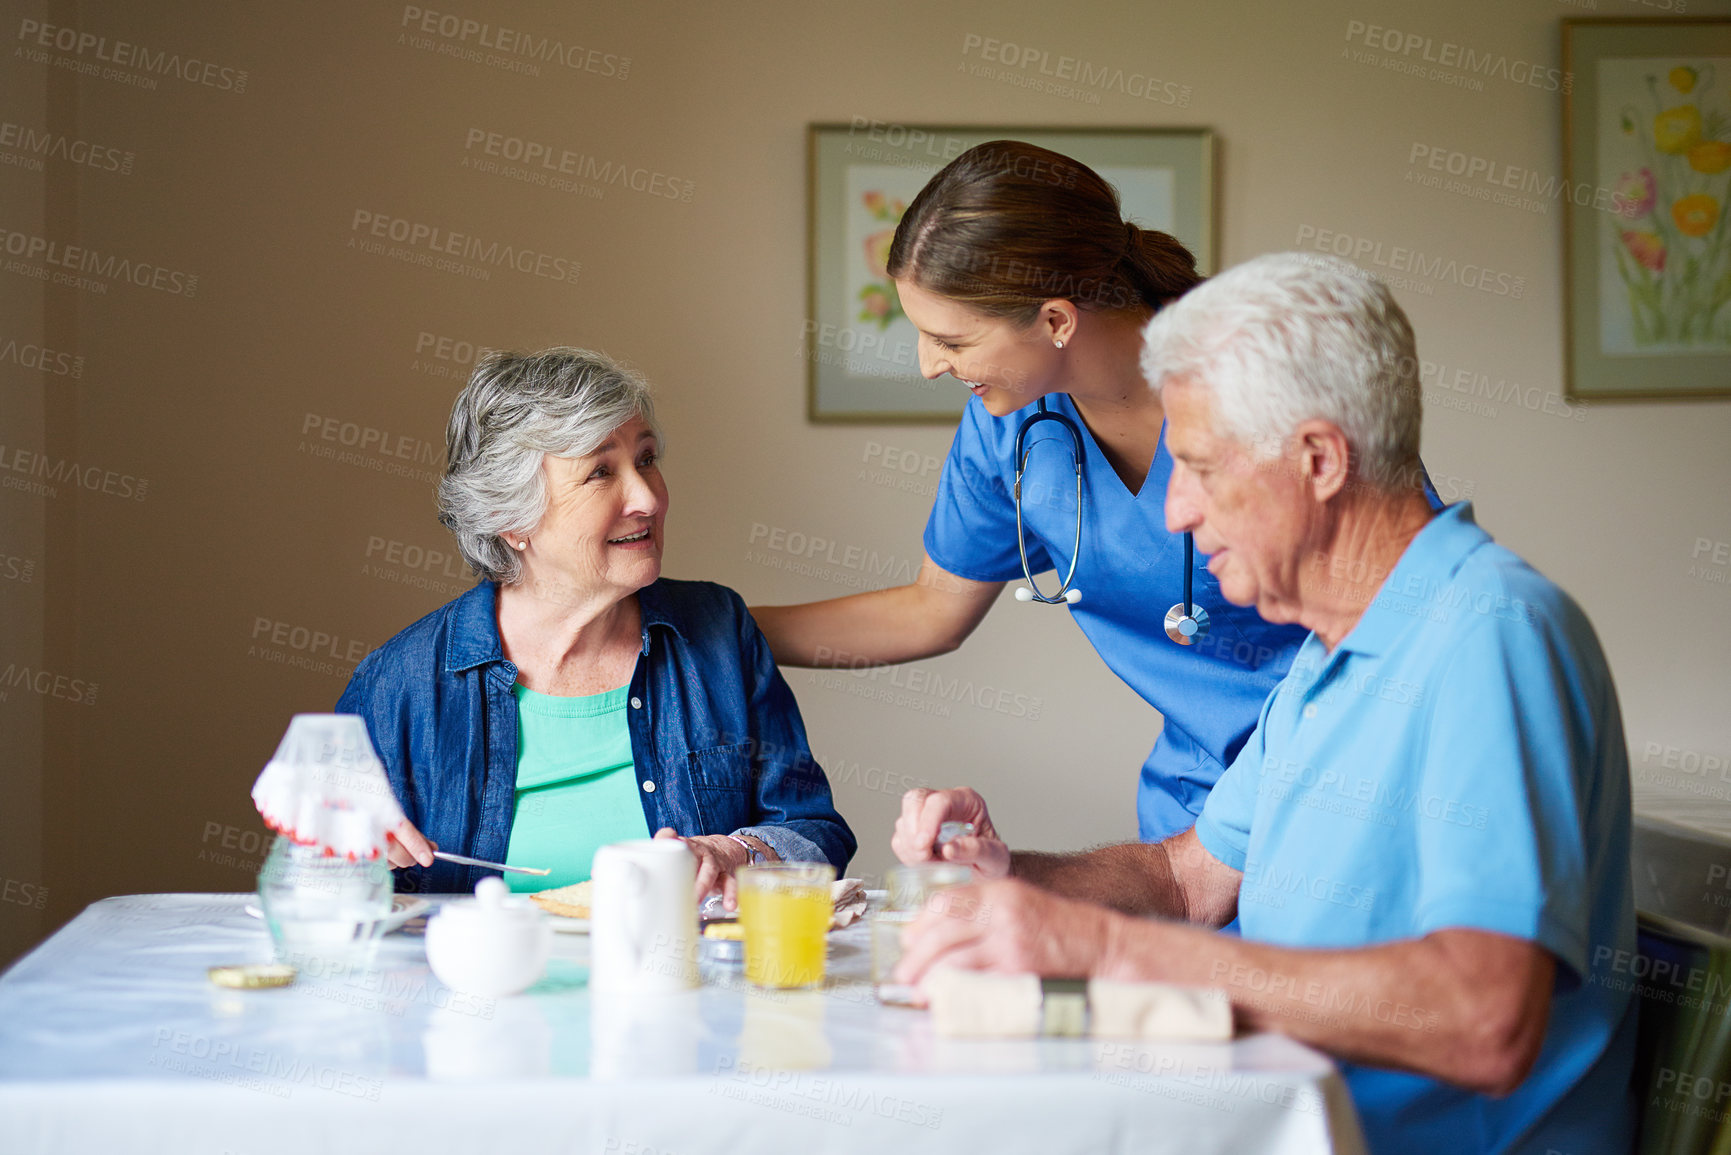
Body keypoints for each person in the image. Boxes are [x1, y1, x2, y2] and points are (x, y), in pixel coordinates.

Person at [890, 254, 1636, 1153]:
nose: (1172, 511)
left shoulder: (1488, 633)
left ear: (1317, 459)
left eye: (1198, 466)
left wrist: (1109, 952)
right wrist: (1007, 877)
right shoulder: (1327, 659)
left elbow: (1482, 1014)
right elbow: (1187, 878)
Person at [755, 141, 1436, 843]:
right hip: (1196, 810)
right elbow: (931, 610)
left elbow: (1413, 606)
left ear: (1054, 319)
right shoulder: (1012, 426)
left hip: (1357, 787)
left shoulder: (1267, 376)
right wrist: (703, 627)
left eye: (950, 339)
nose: (929, 365)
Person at [338, 348, 855, 902]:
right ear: (511, 518)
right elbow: (321, 878)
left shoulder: (719, 631)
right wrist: (345, 858)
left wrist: (738, 853)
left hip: (686, 980)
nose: (648, 498)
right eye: (601, 471)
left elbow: (816, 831)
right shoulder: (400, 684)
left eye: (648, 458)